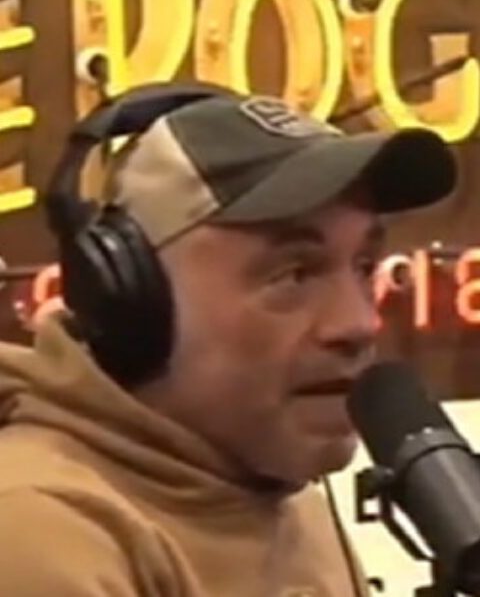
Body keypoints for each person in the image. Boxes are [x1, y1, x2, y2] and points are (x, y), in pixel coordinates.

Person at [0, 84, 456, 597]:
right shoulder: (37, 532)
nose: (359, 323)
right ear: (131, 297)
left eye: (364, 267)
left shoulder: (287, 500)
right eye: (294, 273)